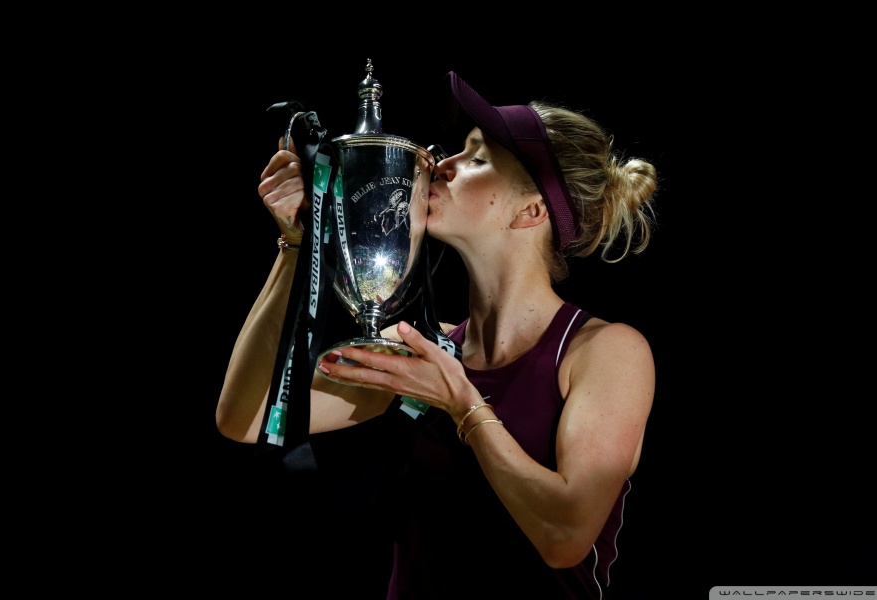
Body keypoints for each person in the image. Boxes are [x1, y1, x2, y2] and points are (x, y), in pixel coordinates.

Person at [216, 70, 660, 599]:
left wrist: (461, 401)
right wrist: (298, 245)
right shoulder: (424, 350)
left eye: (476, 158)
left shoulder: (605, 350)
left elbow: (564, 536)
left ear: (532, 210)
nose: (438, 162)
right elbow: (245, 416)